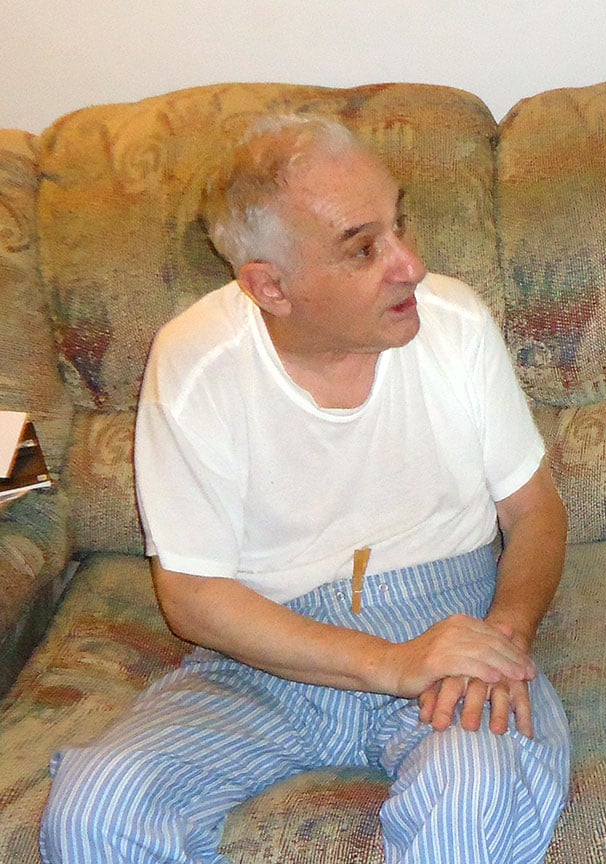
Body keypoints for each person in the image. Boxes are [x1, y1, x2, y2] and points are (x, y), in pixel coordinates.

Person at [40, 115, 571, 864]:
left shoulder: (455, 324)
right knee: (100, 807)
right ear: (271, 287)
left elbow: (534, 509)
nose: (411, 265)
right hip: (264, 657)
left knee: (475, 792)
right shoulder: (197, 363)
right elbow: (193, 597)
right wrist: (386, 663)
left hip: (453, 624)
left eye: (400, 224)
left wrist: (503, 639)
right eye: (364, 247)